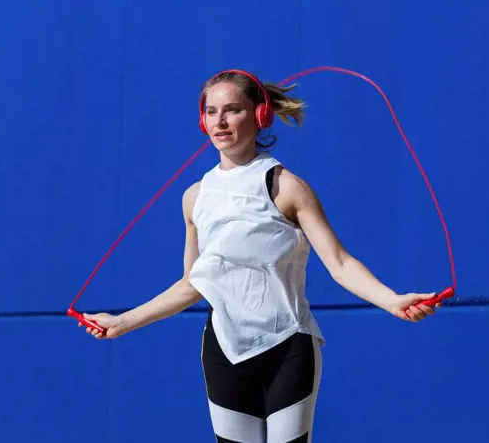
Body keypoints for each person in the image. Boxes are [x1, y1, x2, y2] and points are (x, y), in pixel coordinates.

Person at [79, 69, 440, 443]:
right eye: (211, 111)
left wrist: (392, 300)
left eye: (232, 110)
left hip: (288, 348)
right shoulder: (194, 198)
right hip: (224, 351)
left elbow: (340, 263)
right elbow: (194, 284)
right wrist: (123, 322)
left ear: (259, 115)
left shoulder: (286, 186)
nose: (220, 120)